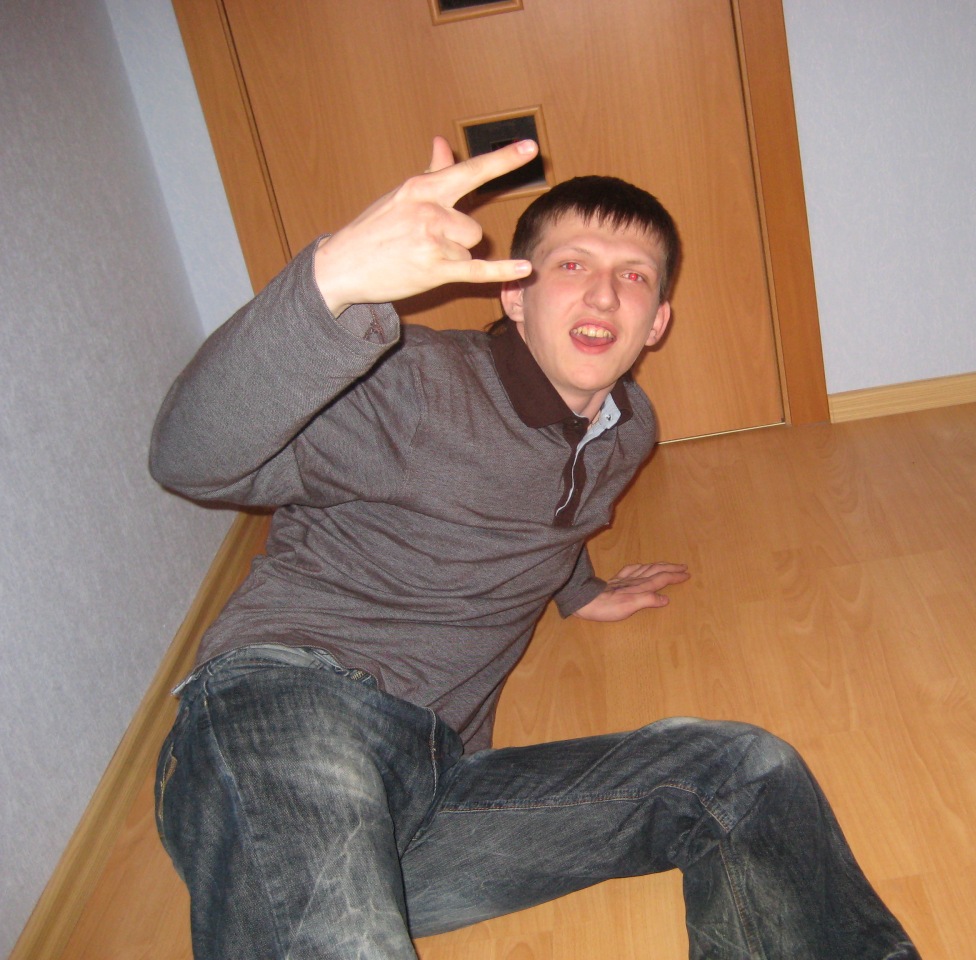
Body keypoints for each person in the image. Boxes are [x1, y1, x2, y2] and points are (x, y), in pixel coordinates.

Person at [150, 137, 920, 960]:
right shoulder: (411, 384)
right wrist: (329, 279)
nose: (604, 292)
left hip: (435, 795)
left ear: (657, 322)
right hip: (289, 709)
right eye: (571, 265)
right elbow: (188, 459)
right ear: (515, 296)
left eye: (635, 276)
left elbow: (551, 509)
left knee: (741, 772)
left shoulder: (628, 428)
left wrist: (579, 588)